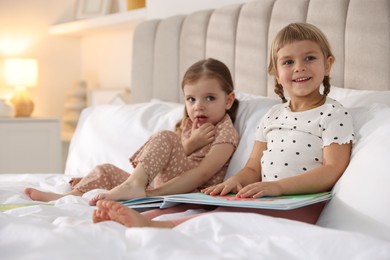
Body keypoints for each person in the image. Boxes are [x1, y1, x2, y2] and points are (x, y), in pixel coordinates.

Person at [92, 22, 355, 228]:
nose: (299, 68)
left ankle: (157, 226)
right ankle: (152, 220)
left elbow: (332, 169)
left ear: (328, 64)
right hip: (267, 198)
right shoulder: (273, 115)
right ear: (275, 72)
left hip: (299, 204)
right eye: (288, 62)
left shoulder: (333, 113)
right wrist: (234, 182)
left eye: (309, 58)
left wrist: (278, 187)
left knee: (223, 220)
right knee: (216, 212)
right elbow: (253, 167)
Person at [25, 58, 240, 205]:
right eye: (191, 99)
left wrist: (151, 194)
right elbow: (172, 158)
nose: (198, 106)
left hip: (187, 191)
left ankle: (134, 185)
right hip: (155, 184)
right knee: (106, 170)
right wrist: (191, 143)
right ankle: (69, 198)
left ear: (228, 99)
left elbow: (202, 173)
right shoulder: (188, 124)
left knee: (165, 136)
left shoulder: (225, 133)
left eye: (209, 98)